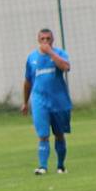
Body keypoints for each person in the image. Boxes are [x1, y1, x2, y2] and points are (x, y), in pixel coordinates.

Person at [21, 29, 72, 175]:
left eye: (48, 38)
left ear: (52, 39)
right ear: (38, 40)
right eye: (42, 38)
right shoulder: (32, 58)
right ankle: (42, 166)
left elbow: (66, 67)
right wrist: (25, 102)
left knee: (59, 134)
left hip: (59, 101)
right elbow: (27, 82)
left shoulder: (59, 54)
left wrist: (50, 52)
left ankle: (61, 166)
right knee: (43, 135)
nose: (45, 41)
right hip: (39, 101)